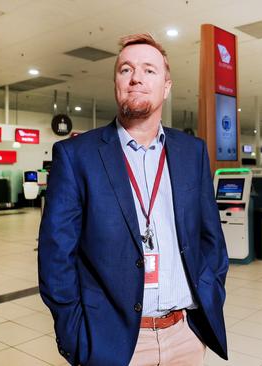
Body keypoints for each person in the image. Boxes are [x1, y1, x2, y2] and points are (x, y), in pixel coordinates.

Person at [38, 33, 228, 366]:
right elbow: (56, 255)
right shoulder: (76, 156)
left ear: (166, 87)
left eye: (149, 70)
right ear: (116, 83)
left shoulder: (191, 152)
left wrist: (212, 294)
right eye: (126, 69)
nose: (136, 77)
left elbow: (211, 240)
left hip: (185, 334)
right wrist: (76, 336)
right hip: (113, 344)